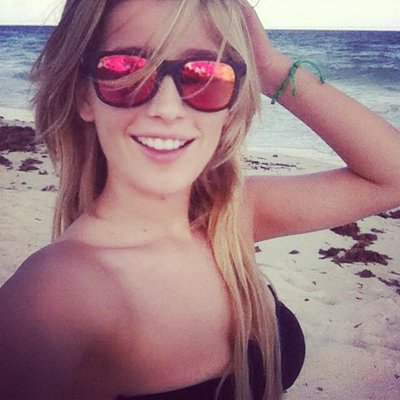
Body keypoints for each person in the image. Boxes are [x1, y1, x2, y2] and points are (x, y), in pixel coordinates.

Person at [1, 0, 399, 399]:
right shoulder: (52, 298)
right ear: (84, 96)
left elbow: (390, 176)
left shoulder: (231, 218)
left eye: (205, 74)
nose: (167, 109)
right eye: (126, 69)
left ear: (233, 99)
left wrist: (270, 68)